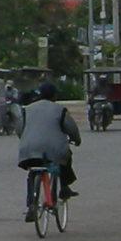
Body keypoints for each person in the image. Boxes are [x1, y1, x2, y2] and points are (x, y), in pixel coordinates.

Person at [15, 81, 82, 220]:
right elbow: (72, 129)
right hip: (53, 151)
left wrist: (26, 139)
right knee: (64, 158)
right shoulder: (59, 110)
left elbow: (19, 129)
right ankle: (64, 187)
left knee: (33, 172)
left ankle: (31, 205)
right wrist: (76, 140)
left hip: (29, 150)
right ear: (54, 95)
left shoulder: (27, 109)